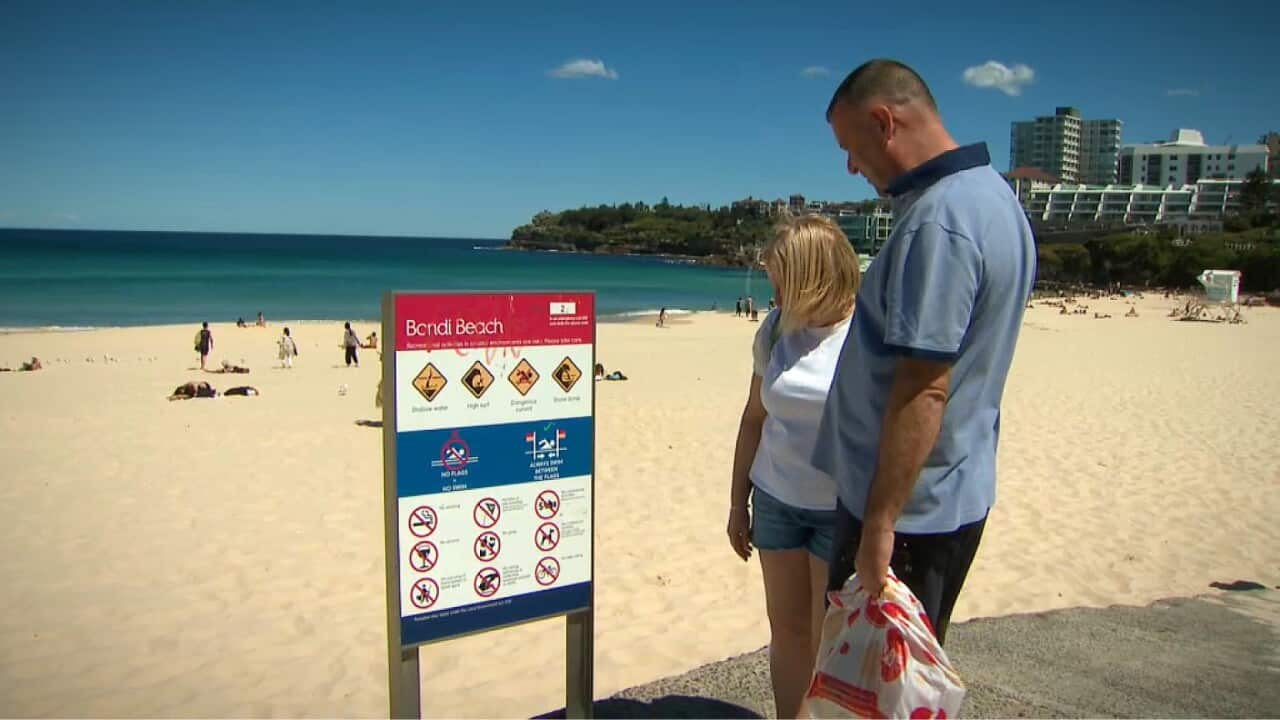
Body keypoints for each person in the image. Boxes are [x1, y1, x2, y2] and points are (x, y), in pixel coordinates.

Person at [813, 59, 1036, 646]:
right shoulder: (994, 197)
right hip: (949, 489)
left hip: (910, 511)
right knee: (900, 676)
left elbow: (924, 386)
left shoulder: (940, 221)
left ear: (884, 122)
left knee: (871, 681)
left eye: (851, 147)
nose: (851, 166)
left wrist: (880, 524)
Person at [728, 214, 861, 719]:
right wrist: (737, 503)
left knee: (829, 640)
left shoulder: (866, 336)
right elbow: (753, 418)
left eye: (783, 282)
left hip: (838, 511)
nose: (775, 296)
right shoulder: (775, 330)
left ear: (815, 278)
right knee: (786, 632)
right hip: (776, 502)